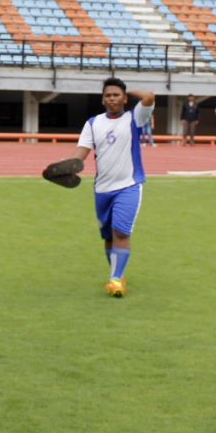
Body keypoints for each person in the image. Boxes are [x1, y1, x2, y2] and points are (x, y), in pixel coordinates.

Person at [67, 77, 154, 297]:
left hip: (129, 186)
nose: (111, 98)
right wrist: (67, 167)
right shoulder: (93, 123)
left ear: (124, 98)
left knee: (121, 232)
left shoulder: (134, 118)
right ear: (102, 99)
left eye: (116, 95)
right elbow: (81, 153)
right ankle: (117, 273)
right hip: (102, 189)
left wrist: (127, 90)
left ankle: (115, 280)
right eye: (107, 95)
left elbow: (149, 96)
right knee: (108, 237)